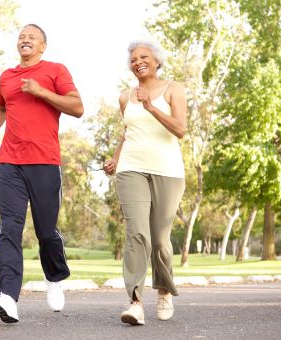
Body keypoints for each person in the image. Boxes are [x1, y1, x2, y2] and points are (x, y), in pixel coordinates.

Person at [0, 23, 84, 323]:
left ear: (42, 46)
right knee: (9, 227)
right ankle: (7, 296)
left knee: (46, 231)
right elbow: (1, 106)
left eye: (31, 38)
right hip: (10, 161)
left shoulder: (55, 71)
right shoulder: (7, 77)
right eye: (21, 37)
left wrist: (41, 92)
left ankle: (54, 276)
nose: (25, 40)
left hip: (45, 162)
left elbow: (77, 107)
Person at [103, 38, 187, 326]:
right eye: (133, 58)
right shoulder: (125, 97)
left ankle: (164, 291)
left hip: (168, 171)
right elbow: (128, 132)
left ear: (157, 61)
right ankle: (135, 302)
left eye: (144, 56)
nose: (138, 61)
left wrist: (151, 107)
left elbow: (180, 129)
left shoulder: (173, 89)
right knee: (137, 234)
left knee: (160, 240)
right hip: (132, 168)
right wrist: (115, 159)